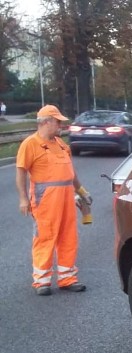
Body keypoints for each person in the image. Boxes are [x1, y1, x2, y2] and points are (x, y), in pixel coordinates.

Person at [15, 104, 91, 296]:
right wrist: (23, 199)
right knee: (45, 238)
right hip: (45, 201)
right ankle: (42, 281)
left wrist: (81, 191)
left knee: (68, 238)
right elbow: (21, 172)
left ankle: (67, 278)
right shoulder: (30, 144)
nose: (61, 125)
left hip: (66, 199)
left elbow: (70, 173)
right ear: (46, 122)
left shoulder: (61, 144)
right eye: (58, 122)